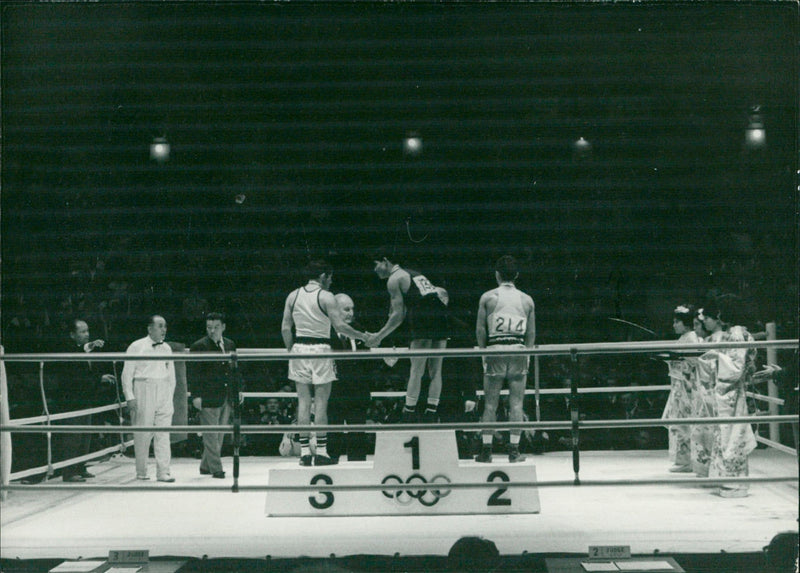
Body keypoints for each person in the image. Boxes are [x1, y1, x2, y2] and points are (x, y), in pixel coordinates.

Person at [281, 260, 368, 466]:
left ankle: (303, 452)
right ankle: (321, 451)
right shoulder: (326, 296)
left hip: (299, 349)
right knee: (321, 403)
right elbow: (341, 326)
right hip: (321, 348)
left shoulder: (293, 295)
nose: (330, 282)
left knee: (303, 402)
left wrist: (291, 350)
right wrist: (364, 336)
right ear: (323, 276)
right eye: (329, 278)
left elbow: (285, 328)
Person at [368, 251, 450, 423]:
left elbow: (398, 316)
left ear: (385, 261)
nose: (375, 270)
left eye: (375, 265)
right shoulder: (414, 273)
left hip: (423, 319)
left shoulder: (394, 278)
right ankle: (431, 411)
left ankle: (409, 412)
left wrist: (379, 336)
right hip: (441, 317)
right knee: (436, 370)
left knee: (417, 370)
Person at [474, 255, 536, 463]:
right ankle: (514, 451)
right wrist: (526, 355)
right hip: (518, 350)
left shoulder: (488, 297)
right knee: (517, 404)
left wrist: (484, 353)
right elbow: (531, 334)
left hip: (496, 349)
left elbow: (480, 330)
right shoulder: (527, 300)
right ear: (517, 275)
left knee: (490, 404)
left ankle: (486, 451)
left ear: (497, 275)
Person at [696, 296, 758, 497]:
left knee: (732, 438)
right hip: (724, 392)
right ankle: (729, 482)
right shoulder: (731, 333)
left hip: (731, 391)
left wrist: (717, 356)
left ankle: (735, 484)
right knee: (725, 437)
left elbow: (736, 368)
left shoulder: (737, 333)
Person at [49, 318, 116, 482]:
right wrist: (99, 378)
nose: (87, 334)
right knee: (73, 436)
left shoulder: (83, 350)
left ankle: (80, 466)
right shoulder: (67, 350)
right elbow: (75, 375)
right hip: (71, 400)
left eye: (87, 331)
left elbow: (85, 364)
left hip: (85, 398)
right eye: (83, 331)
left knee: (85, 435)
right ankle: (69, 471)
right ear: (72, 334)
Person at [121, 315, 177, 482]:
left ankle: (163, 472)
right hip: (143, 388)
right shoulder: (136, 346)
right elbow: (127, 374)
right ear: (150, 328)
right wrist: (129, 396)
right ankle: (142, 471)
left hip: (164, 390)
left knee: (164, 433)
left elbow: (172, 375)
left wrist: (170, 398)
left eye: (165, 326)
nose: (164, 330)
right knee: (142, 433)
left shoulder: (167, 348)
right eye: (160, 326)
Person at [189, 312, 237, 479]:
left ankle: (205, 465)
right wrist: (195, 396)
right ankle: (216, 468)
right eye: (209, 327)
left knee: (219, 434)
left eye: (216, 327)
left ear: (223, 327)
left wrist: (238, 391)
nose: (212, 331)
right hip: (208, 396)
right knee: (211, 435)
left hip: (226, 395)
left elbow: (235, 371)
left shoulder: (230, 344)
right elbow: (193, 374)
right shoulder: (199, 346)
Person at [328, 293, 371, 462]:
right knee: (333, 433)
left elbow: (368, 362)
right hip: (334, 390)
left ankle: (359, 472)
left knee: (358, 434)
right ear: (335, 311)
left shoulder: (359, 329)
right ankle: (330, 468)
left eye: (352, 309)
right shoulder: (326, 332)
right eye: (346, 309)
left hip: (358, 390)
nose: (351, 313)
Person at [660, 305, 701, 473]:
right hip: (679, 384)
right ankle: (682, 459)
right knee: (678, 423)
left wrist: (674, 360)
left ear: (685, 323)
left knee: (684, 423)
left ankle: (687, 461)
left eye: (677, 322)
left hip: (687, 385)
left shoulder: (691, 338)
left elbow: (693, 362)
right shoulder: (684, 337)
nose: (674, 325)